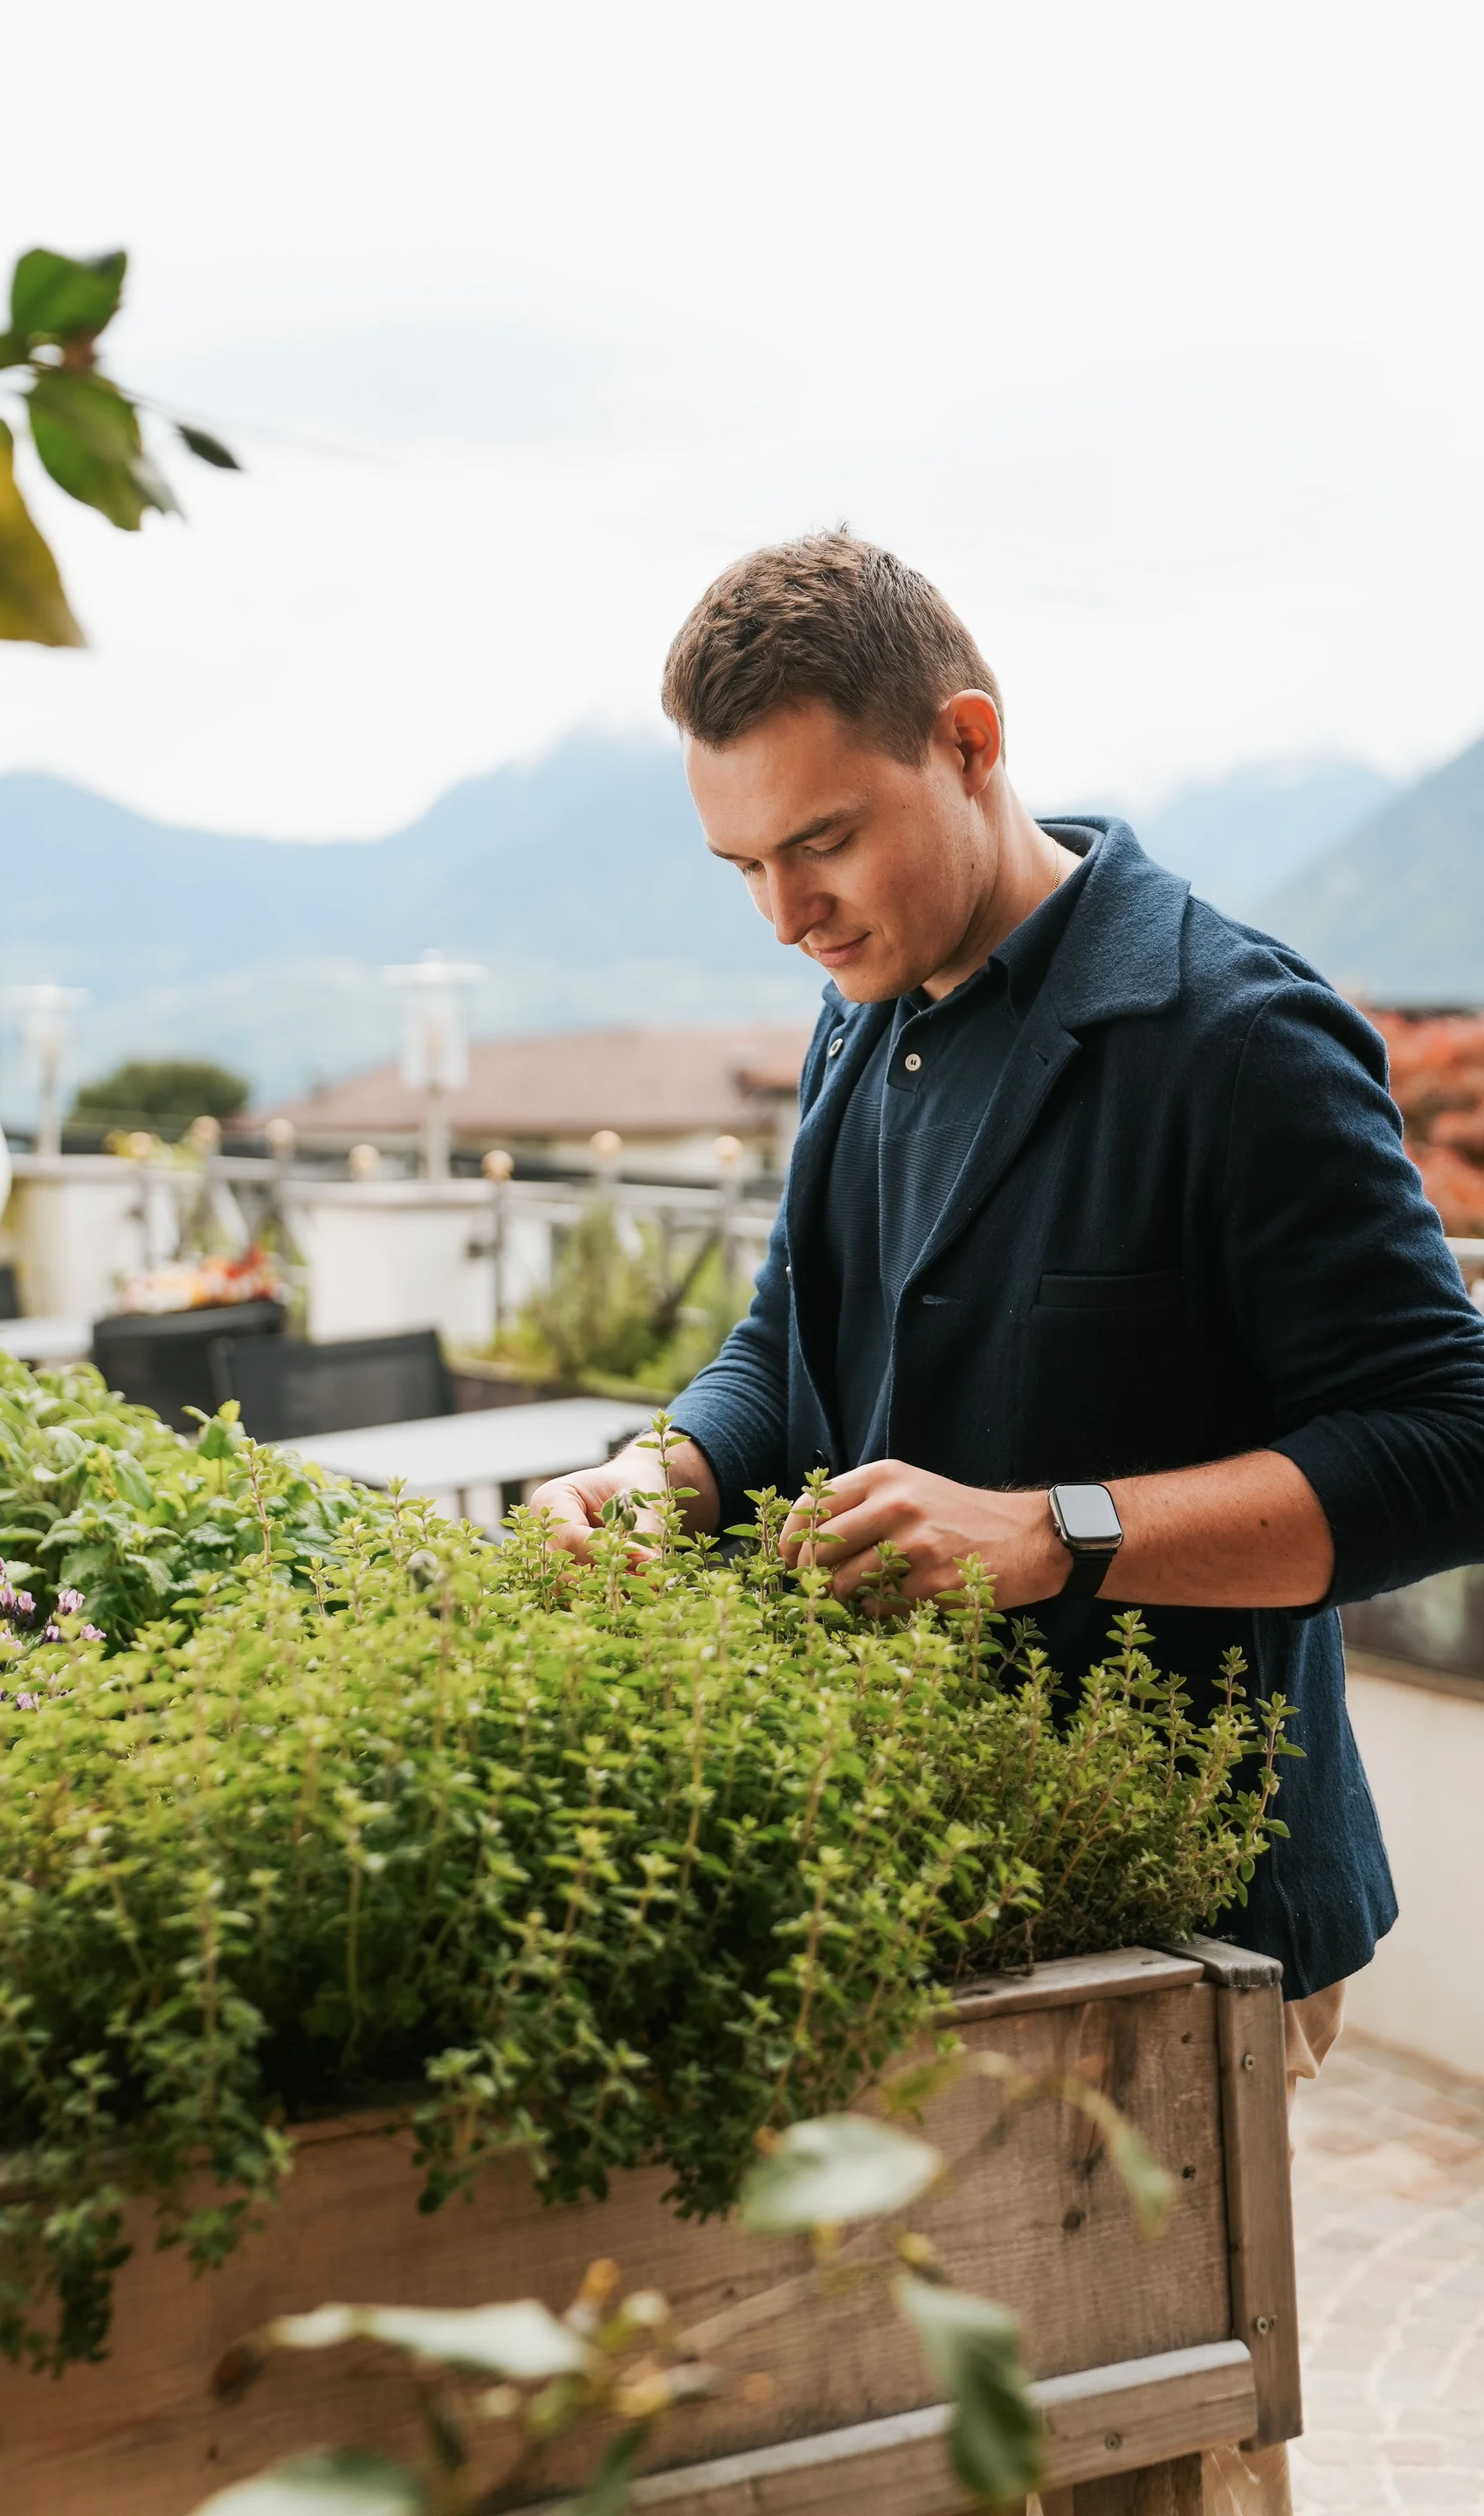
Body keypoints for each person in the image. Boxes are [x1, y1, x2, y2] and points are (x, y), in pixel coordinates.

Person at [529, 531, 1484, 2510]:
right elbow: (789, 1339)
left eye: (826, 843)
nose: (789, 913)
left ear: (968, 743)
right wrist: (673, 1467)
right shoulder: (864, 1008)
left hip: (1190, 1920)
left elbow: (1448, 1441)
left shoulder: (1236, 1037)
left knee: (1156, 2468)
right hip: (949, 1885)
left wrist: (1058, 1529)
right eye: (746, 872)